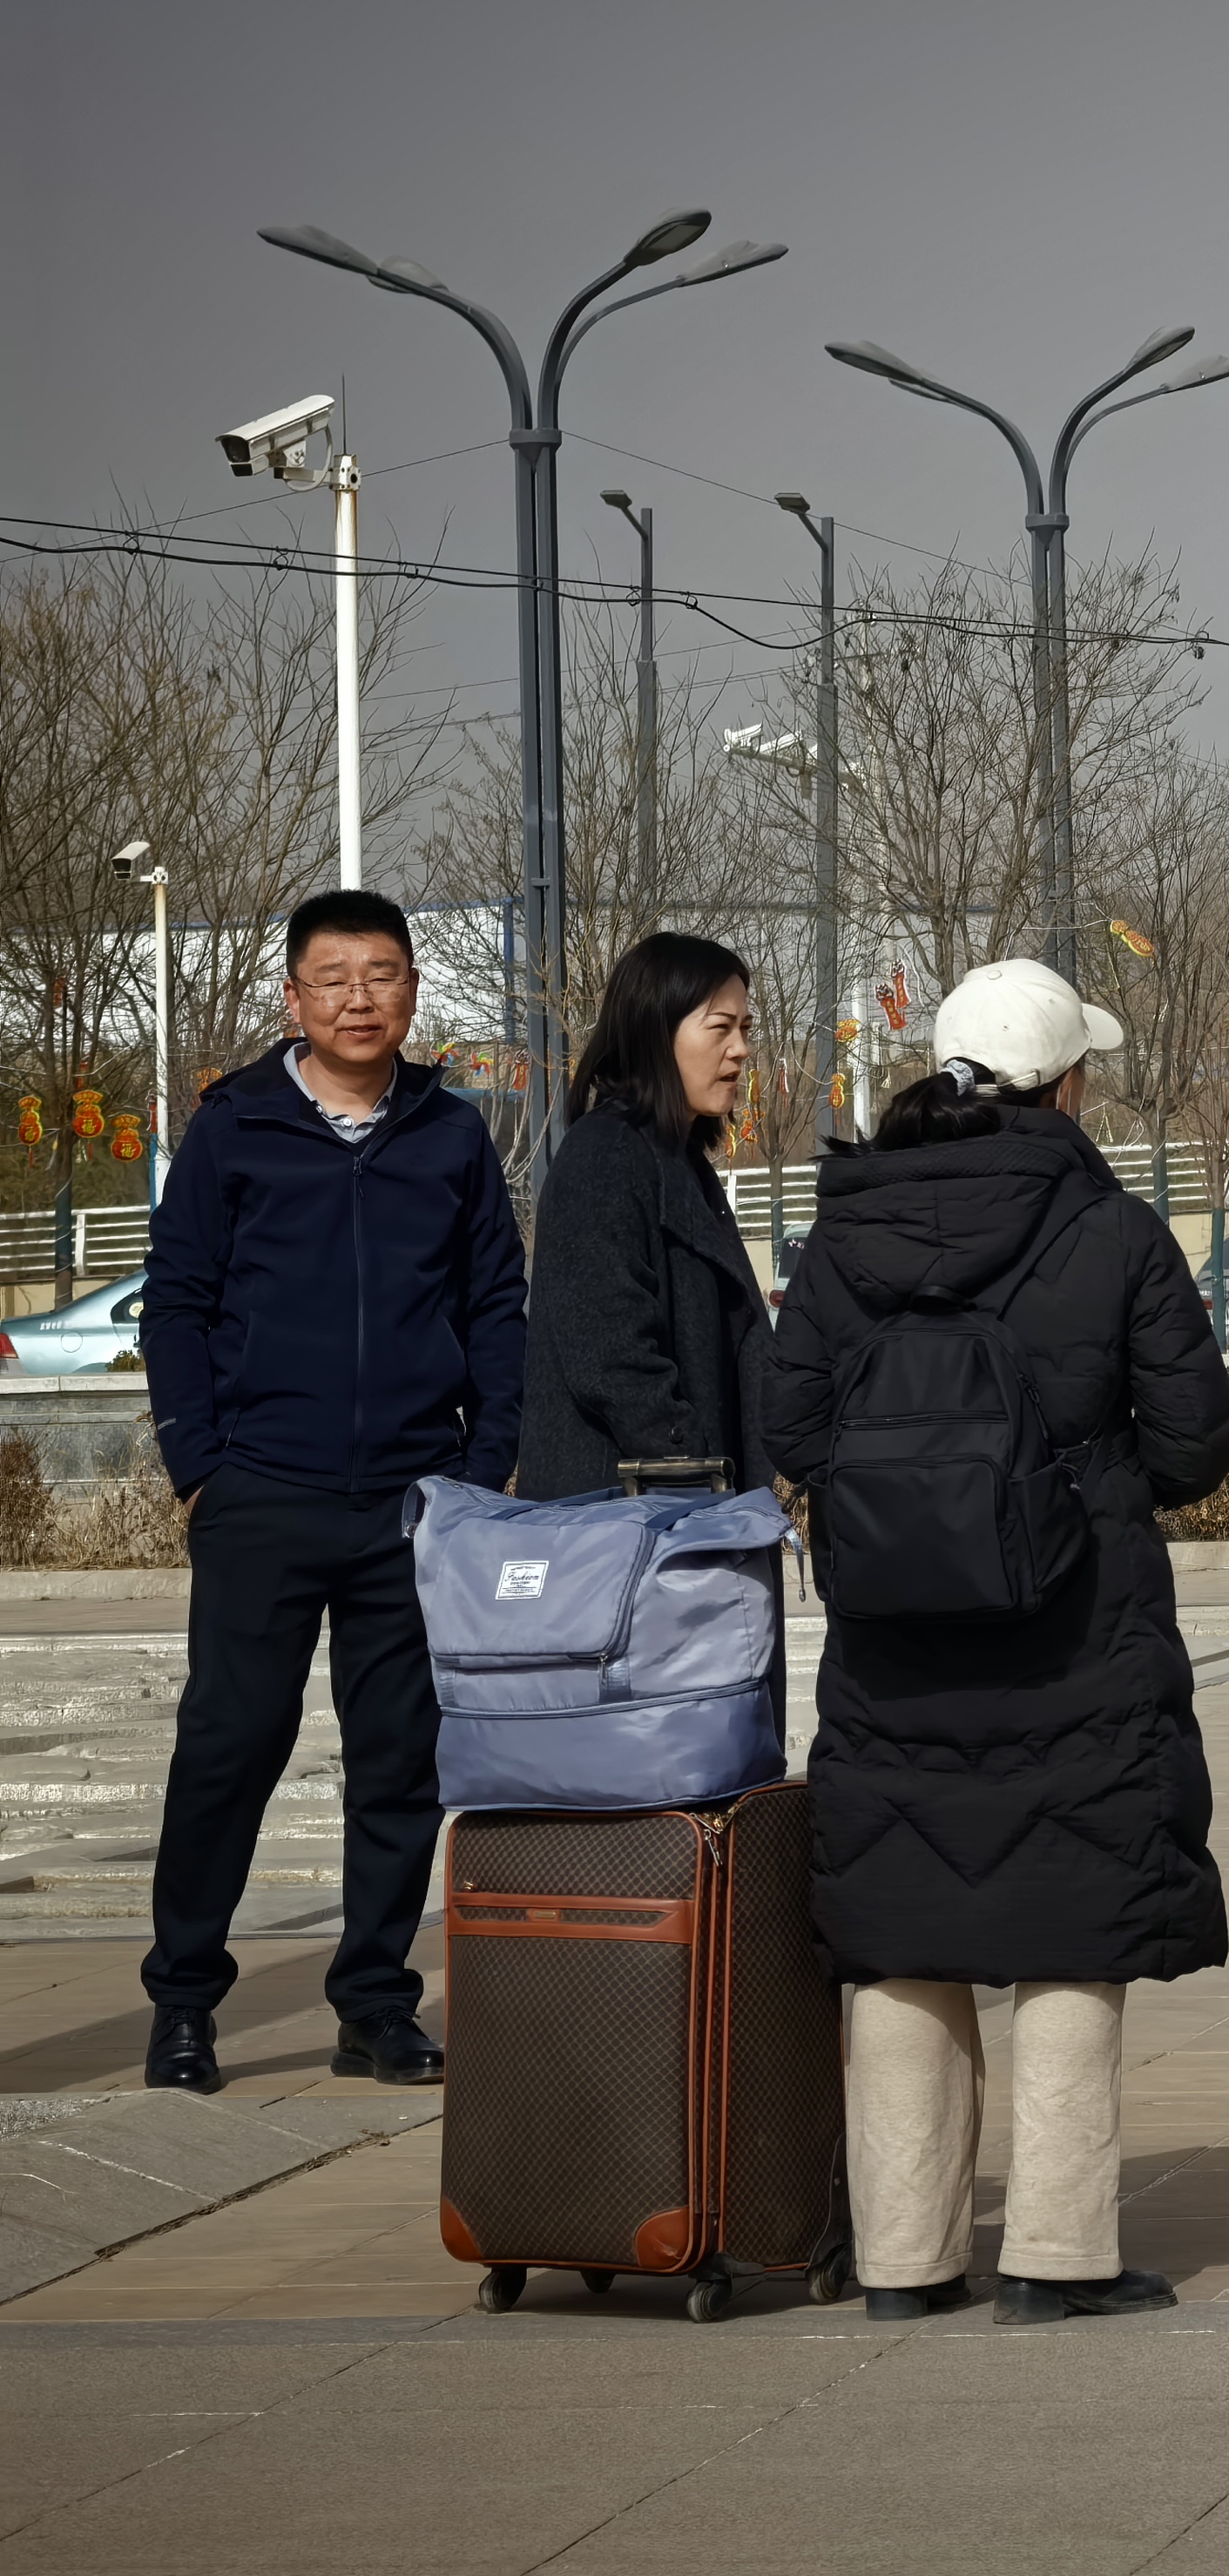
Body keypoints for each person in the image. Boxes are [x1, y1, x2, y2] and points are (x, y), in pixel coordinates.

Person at [767, 958, 1229, 2323]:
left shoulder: (841, 1234)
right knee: (1070, 1921)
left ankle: (907, 2261)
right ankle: (1058, 2253)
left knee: (900, 1926)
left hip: (892, 1638)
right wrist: (1079, 1488)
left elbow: (792, 1428)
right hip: (1076, 1628)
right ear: (1064, 1082)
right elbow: (1200, 1440)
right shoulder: (1114, 1231)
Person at [134, 889, 528, 2093]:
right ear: (294, 997)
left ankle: (374, 2003)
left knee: (400, 1761)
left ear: (413, 989)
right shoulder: (236, 1127)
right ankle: (186, 2004)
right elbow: (178, 1303)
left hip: (411, 1503)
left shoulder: (450, 1135)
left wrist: (478, 1468)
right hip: (263, 1491)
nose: (361, 998)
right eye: (334, 977)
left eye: (384, 974)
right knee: (228, 1747)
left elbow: (497, 1308)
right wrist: (201, 1468)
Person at [518, 934, 770, 1501]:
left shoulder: (679, 1162)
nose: (740, 1050)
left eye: (745, 1030)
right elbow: (611, 1356)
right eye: (721, 1028)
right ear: (658, 1034)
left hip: (676, 1512)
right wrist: (696, 1463)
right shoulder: (606, 1156)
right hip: (624, 1524)